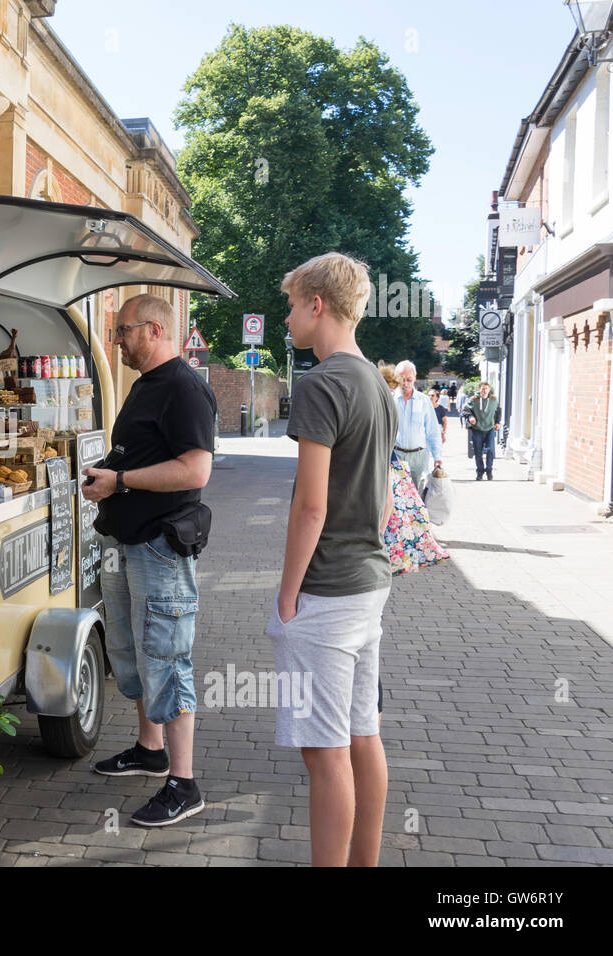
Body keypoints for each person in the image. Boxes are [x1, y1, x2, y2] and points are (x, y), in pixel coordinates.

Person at [269, 252, 396, 867]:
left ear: (317, 305)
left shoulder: (319, 385)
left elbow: (310, 508)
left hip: (326, 591)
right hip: (369, 582)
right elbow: (388, 493)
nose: (287, 318)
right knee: (361, 735)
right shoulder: (375, 381)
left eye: (291, 305)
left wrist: (288, 595)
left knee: (324, 753)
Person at [83, 293, 215, 827]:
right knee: (134, 652)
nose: (118, 341)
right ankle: (149, 747)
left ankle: (183, 783)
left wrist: (121, 480)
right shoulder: (147, 386)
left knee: (167, 656)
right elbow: (141, 454)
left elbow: (195, 470)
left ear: (156, 329)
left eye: (124, 331)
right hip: (128, 540)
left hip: (161, 547)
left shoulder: (184, 388)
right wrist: (111, 471)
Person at [391, 360, 442, 494]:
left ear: (415, 378)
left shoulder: (424, 400)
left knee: (416, 496)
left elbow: (432, 431)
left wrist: (437, 456)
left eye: (409, 379)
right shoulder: (390, 399)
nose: (405, 383)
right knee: (397, 497)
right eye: (402, 379)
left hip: (419, 456)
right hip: (396, 455)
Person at [466, 380, 501, 480]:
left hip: (490, 429)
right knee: (478, 452)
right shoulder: (474, 399)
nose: (484, 390)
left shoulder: (494, 399)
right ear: (479, 389)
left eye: (486, 388)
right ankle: (480, 472)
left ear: (489, 389)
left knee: (490, 450)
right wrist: (471, 417)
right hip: (477, 429)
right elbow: (466, 410)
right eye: (483, 388)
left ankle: (489, 471)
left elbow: (498, 411)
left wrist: (497, 422)